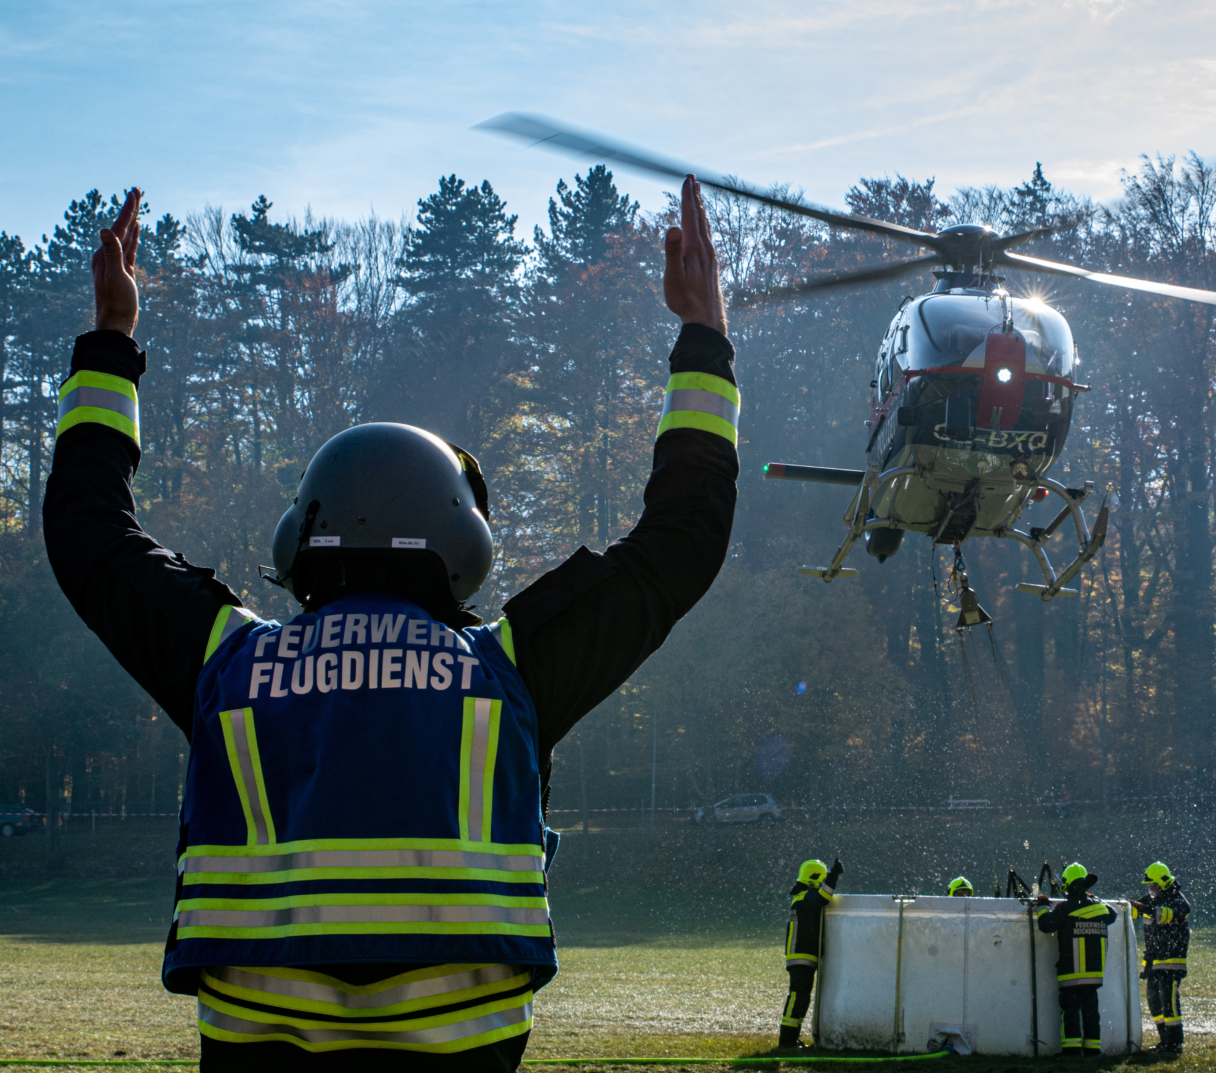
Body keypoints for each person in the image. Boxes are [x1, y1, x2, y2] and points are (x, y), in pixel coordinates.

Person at [44, 178, 738, 1070]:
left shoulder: (229, 664)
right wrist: (704, 337)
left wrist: (111, 341)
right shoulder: (508, 675)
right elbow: (681, 541)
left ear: (302, 538)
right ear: (461, 541)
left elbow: (87, 534)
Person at [1035, 862, 1116, 1056]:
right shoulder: (1100, 908)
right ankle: (1092, 1050)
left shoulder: (1065, 909)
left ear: (1067, 885)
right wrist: (1094, 898)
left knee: (1070, 1011)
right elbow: (1112, 914)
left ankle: (1071, 1051)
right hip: (1094, 972)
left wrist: (1043, 906)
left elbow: (1046, 925)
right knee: (1091, 1012)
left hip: (1071, 971)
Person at [780, 857, 844, 1047]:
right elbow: (823, 898)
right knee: (797, 996)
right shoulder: (806, 897)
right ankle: (786, 1042)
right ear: (816, 879)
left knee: (801, 998)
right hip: (802, 955)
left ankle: (791, 1039)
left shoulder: (802, 897)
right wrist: (833, 877)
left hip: (802, 955)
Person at [1131, 861, 1190, 1054]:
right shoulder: (1150, 900)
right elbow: (1133, 912)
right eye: (1149, 886)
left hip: (1172, 960)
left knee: (1168, 1000)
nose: (1151, 889)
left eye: (1154, 885)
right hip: (1154, 959)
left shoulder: (1178, 901)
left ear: (1165, 882)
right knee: (1153, 999)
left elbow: (1166, 915)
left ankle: (1174, 1043)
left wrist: (1145, 909)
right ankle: (1164, 1040)